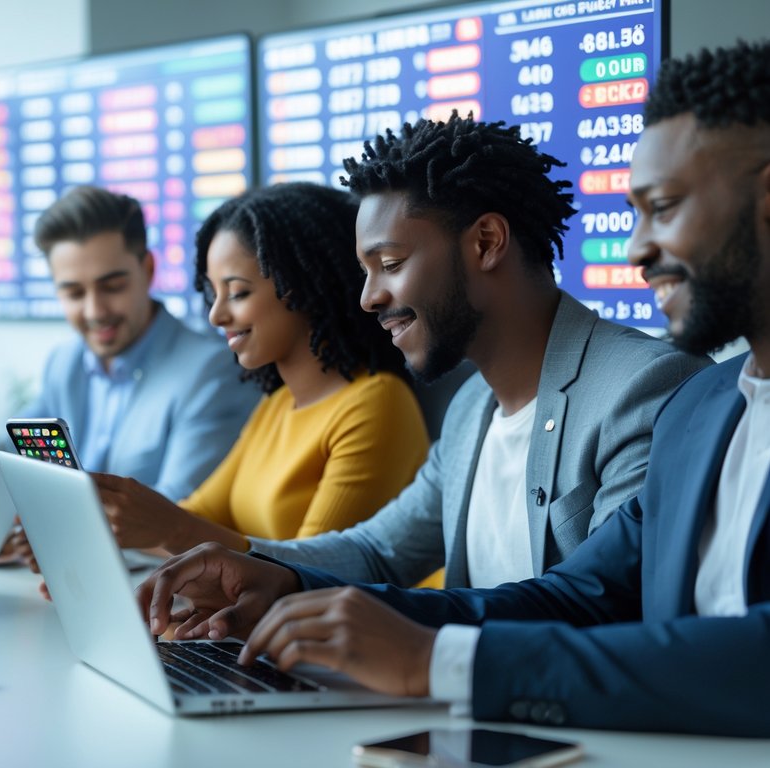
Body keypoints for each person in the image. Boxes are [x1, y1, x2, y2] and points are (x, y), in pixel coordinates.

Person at [138, 41, 770, 738]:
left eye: (665, 207)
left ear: (487, 242)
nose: (635, 248)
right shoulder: (704, 407)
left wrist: (440, 662)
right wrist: (288, 583)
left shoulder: (655, 388)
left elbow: (630, 627)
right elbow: (577, 593)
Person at [213, 116, 708, 590]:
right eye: (366, 272)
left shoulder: (647, 389)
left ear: (487, 242)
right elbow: (377, 553)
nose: (369, 298)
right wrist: (241, 569)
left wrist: (409, 632)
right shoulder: (471, 408)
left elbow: (599, 601)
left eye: (391, 263)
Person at [94, 183, 428, 557]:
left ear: (301, 284)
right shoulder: (277, 405)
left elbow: (315, 570)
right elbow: (196, 516)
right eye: (214, 293)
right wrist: (110, 532)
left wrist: (168, 530)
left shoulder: (376, 404)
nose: (216, 315)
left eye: (237, 293)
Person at [20, 185, 260, 502]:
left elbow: (181, 511)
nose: (95, 311)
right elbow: (6, 452)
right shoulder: (64, 363)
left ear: (148, 270)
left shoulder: (212, 372)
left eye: (113, 286)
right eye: (74, 293)